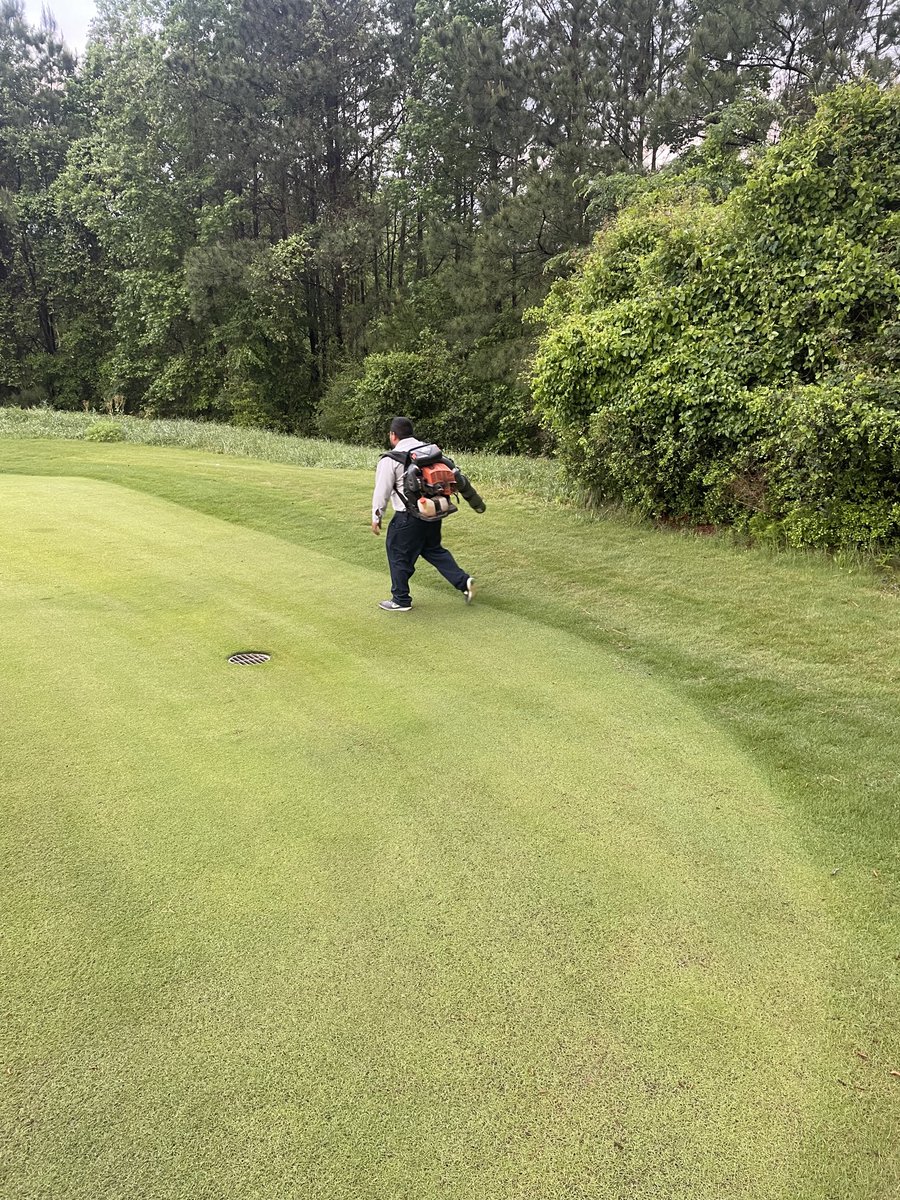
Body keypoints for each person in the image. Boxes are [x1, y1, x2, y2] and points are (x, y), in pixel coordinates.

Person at [371, 416, 476, 612]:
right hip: (432, 510)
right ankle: (464, 582)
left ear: (393, 435)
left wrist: (376, 517)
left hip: (407, 516)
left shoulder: (390, 459)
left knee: (397, 553)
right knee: (433, 549)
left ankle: (400, 599)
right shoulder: (427, 451)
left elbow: (381, 491)